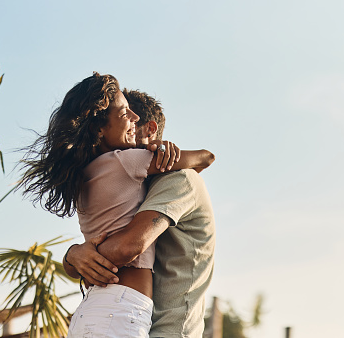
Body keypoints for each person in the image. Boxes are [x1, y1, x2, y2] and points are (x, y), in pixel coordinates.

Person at [20, 73, 214, 338]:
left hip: (113, 312)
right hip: (121, 311)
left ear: (152, 130)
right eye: (125, 115)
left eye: (135, 118)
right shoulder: (126, 163)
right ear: (99, 127)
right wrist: (74, 257)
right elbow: (127, 247)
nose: (132, 124)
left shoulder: (174, 180)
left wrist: (74, 257)